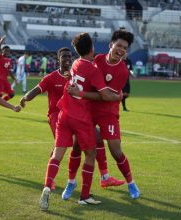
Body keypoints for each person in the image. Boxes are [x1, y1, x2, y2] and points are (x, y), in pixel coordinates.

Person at [20, 48, 124, 193]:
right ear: (58, 59)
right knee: (62, 148)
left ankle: (104, 176)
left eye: (70, 56)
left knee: (97, 137)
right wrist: (24, 98)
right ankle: (54, 181)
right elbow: (37, 89)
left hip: (75, 114)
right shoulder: (51, 77)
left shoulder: (75, 74)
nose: (68, 59)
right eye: (64, 57)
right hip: (57, 116)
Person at [39, 33, 123, 211]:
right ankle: (84, 196)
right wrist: (118, 96)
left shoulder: (75, 63)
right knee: (91, 154)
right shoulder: (92, 70)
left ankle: (47, 185)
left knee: (57, 154)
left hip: (64, 114)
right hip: (80, 117)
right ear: (91, 48)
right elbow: (104, 95)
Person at [68, 30, 140, 200]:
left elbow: (106, 97)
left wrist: (81, 94)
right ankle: (71, 181)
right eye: (119, 46)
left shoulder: (122, 71)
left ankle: (131, 183)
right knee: (77, 144)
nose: (121, 50)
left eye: (125, 48)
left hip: (108, 112)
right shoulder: (97, 59)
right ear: (111, 45)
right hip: (89, 111)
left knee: (116, 150)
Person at [0, 36, 17, 116]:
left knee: (11, 94)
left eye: (9, 51)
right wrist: (1, 42)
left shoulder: (9, 60)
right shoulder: (0, 57)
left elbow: (9, 71)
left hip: (5, 80)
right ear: (2, 51)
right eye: (6, 50)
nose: (8, 52)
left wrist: (14, 79)